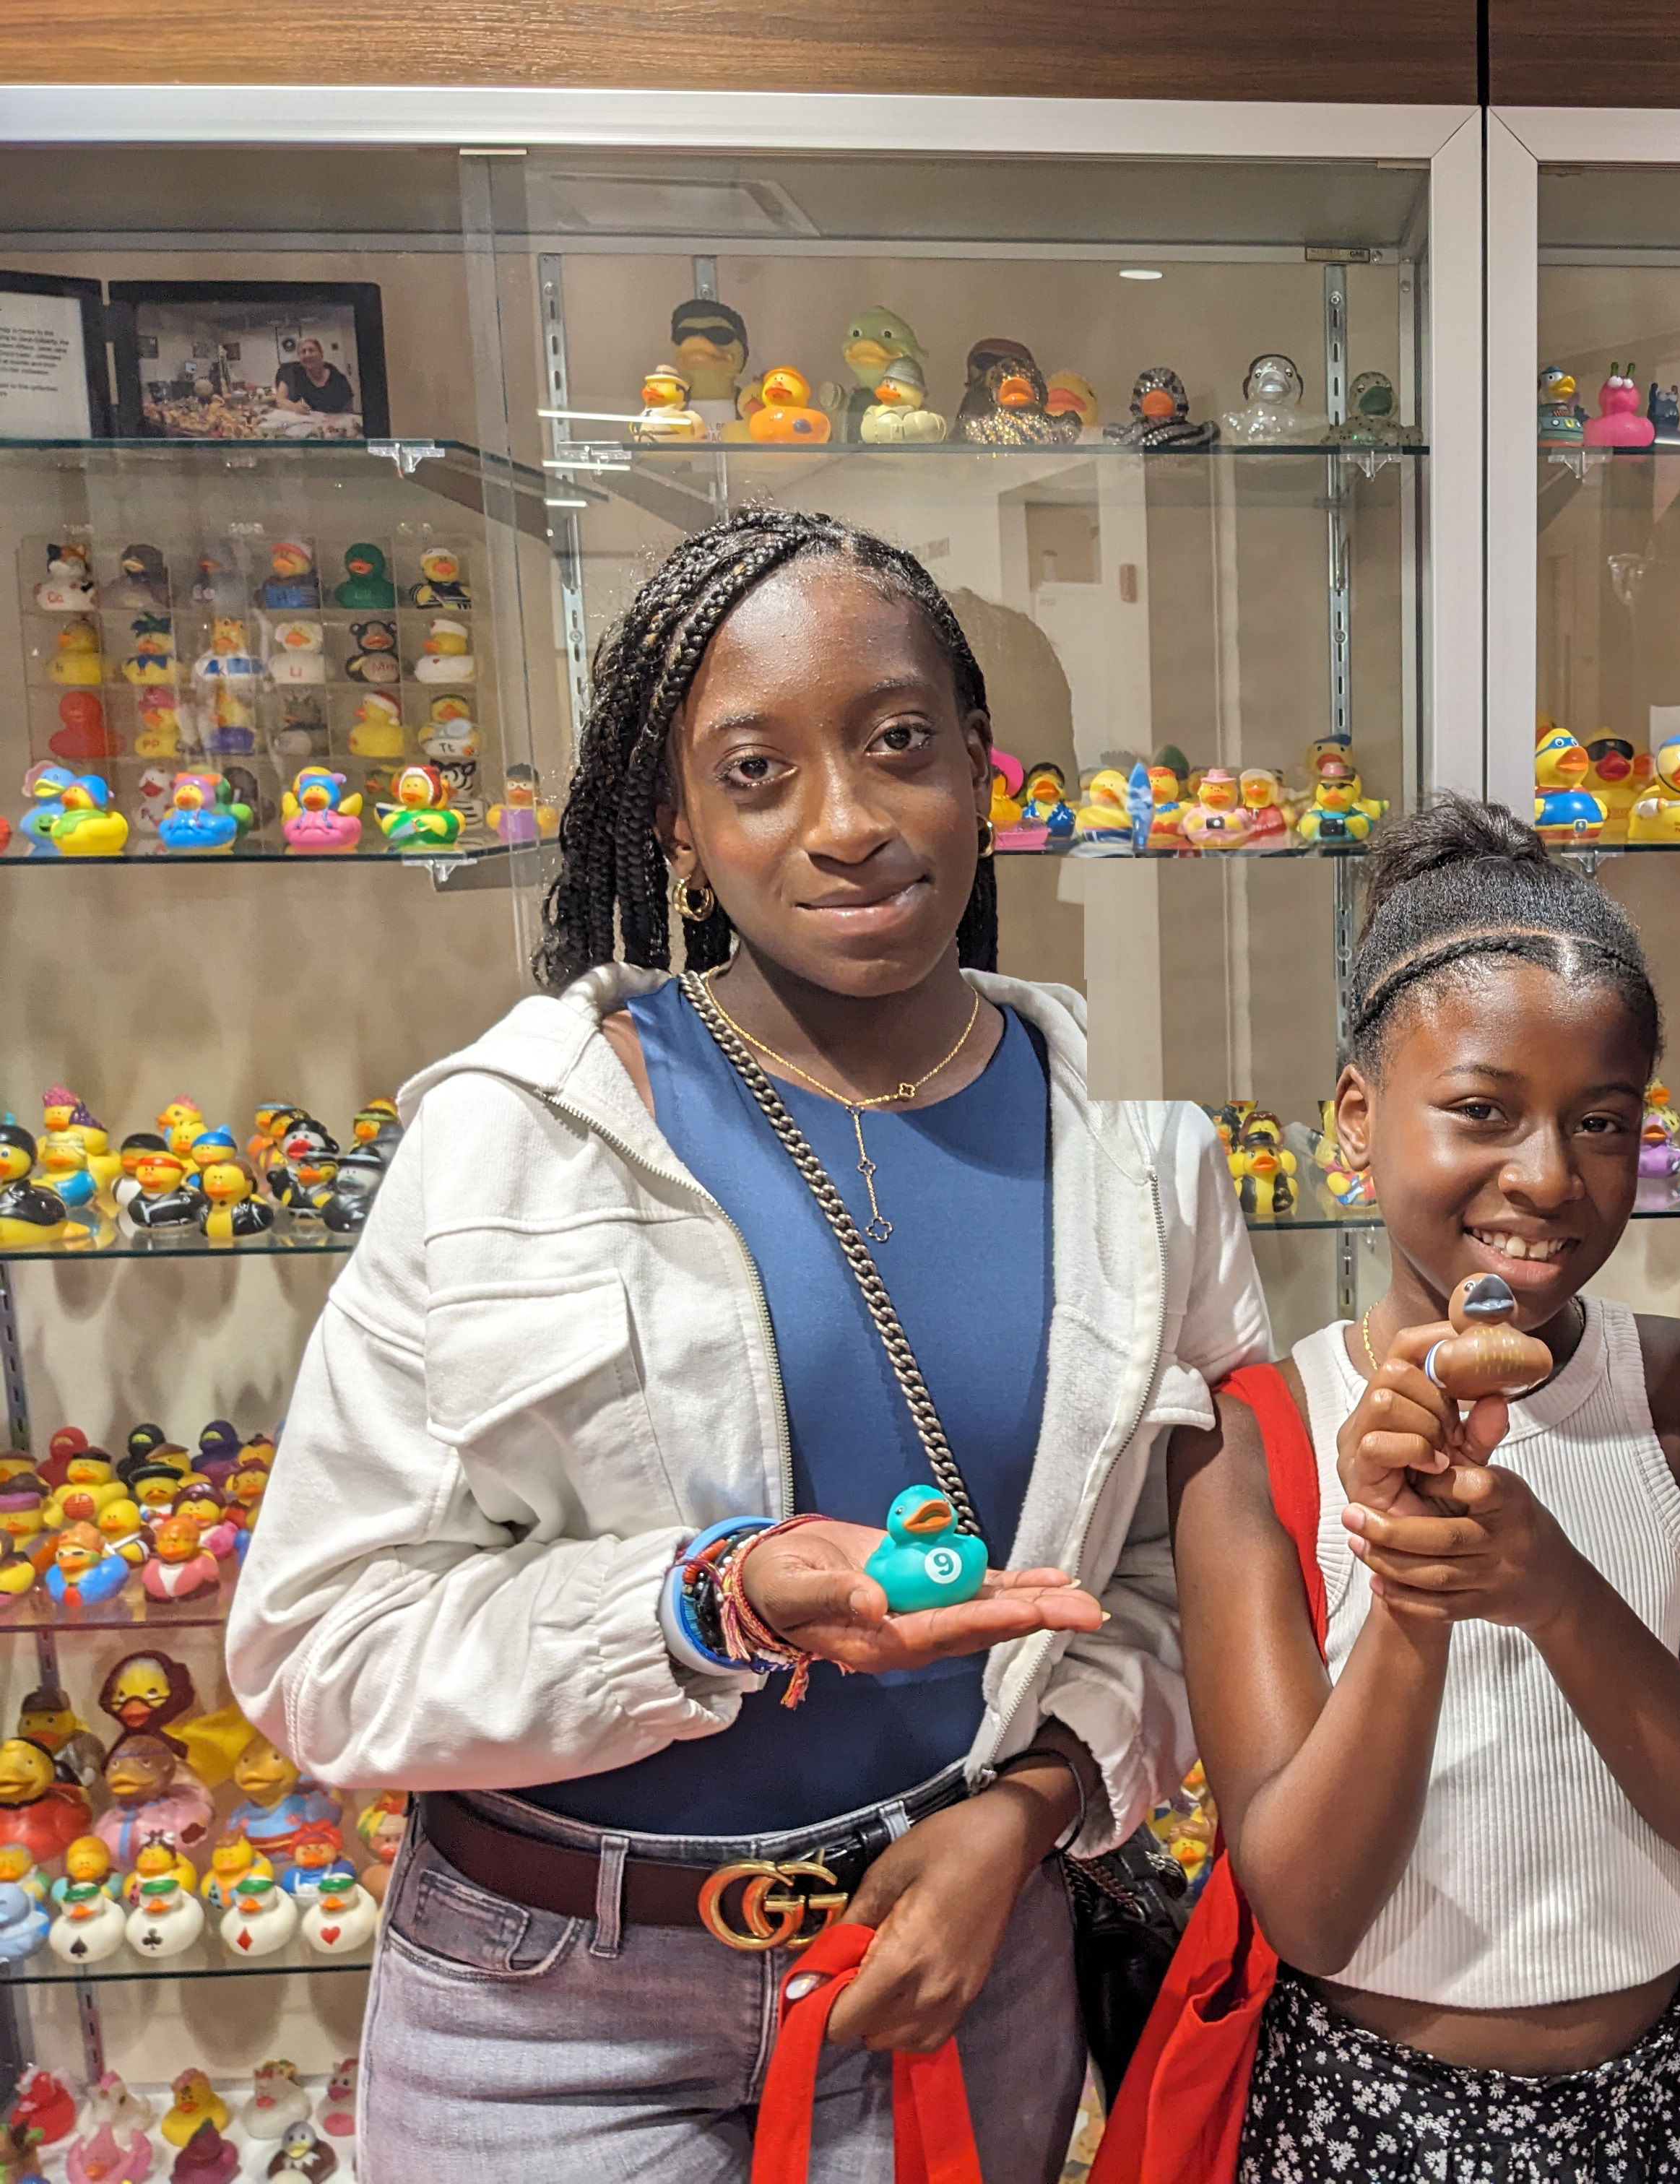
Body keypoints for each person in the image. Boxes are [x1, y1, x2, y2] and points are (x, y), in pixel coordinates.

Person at [229, 508, 1268, 2184]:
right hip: (546, 2026)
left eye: (898, 743)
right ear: (679, 827)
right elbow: (319, 1644)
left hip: (950, 1973)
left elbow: (1171, 1593)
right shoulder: (523, 1134)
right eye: (757, 770)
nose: (850, 824)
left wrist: (1027, 1812)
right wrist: (712, 1601)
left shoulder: (1146, 1178)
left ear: (984, 768)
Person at [1167, 802, 1680, 2183]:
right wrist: (1421, 1582)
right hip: (1357, 2112)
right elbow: (1309, 1899)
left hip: (1647, 2102)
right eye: (1481, 1109)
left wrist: (1548, 1592)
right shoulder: (1256, 1437)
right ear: (1356, 1119)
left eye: (1599, 1120)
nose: (1545, 1173)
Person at [270, 337, 354, 417]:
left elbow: (348, 406)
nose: (307, 355)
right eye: (303, 352)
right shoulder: (291, 372)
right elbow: (280, 401)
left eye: (312, 350)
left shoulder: (336, 377)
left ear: (321, 354)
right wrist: (294, 407)